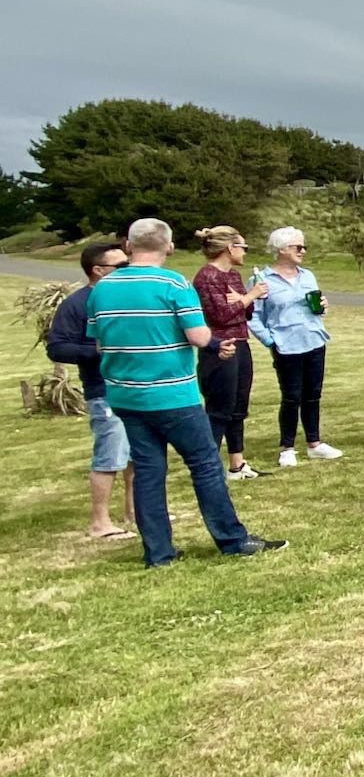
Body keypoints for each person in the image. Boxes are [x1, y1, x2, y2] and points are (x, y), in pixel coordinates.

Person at [86, 218, 284, 566]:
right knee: (205, 464)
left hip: (126, 396)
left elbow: (101, 343)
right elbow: (197, 335)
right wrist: (218, 345)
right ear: (169, 247)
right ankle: (233, 540)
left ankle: (158, 553)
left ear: (129, 247)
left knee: (148, 471)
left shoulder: (103, 288)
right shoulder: (174, 283)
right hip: (173, 395)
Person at [46, 241, 136, 540]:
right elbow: (57, 348)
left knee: (138, 454)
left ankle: (135, 512)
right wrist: (99, 351)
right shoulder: (77, 303)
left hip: (136, 387)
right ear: (98, 270)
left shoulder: (125, 298)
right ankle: (100, 523)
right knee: (110, 455)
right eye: (120, 266)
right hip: (104, 390)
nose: (128, 270)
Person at [247, 226, 341, 467]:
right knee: (291, 397)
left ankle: (314, 443)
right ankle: (287, 447)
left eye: (304, 247)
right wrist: (270, 340)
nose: (303, 251)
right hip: (286, 345)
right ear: (281, 249)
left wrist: (322, 305)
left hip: (314, 339)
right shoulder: (262, 280)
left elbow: (316, 304)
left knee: (313, 395)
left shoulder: (307, 275)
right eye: (298, 247)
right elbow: (253, 316)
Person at [192, 227, 265, 479]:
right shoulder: (207, 277)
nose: (245, 252)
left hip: (241, 342)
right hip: (219, 347)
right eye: (242, 247)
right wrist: (250, 295)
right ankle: (208, 467)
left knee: (238, 406)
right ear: (229, 248)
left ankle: (237, 464)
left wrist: (243, 301)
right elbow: (220, 315)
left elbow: (244, 313)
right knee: (219, 408)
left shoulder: (234, 276)